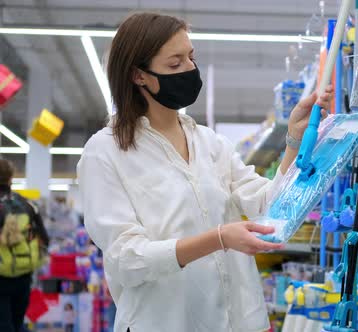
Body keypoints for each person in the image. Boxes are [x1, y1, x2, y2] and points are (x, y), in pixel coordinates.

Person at [77, 12, 333, 332]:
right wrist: (220, 238)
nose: (189, 69)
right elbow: (127, 259)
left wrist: (294, 140)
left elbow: (269, 205)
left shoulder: (209, 143)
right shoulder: (106, 152)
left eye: (191, 57)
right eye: (174, 63)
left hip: (236, 322)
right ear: (138, 76)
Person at [0, 159, 49, 332]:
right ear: (11, 178)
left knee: (4, 325)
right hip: (24, 274)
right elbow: (45, 239)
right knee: (18, 322)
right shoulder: (28, 206)